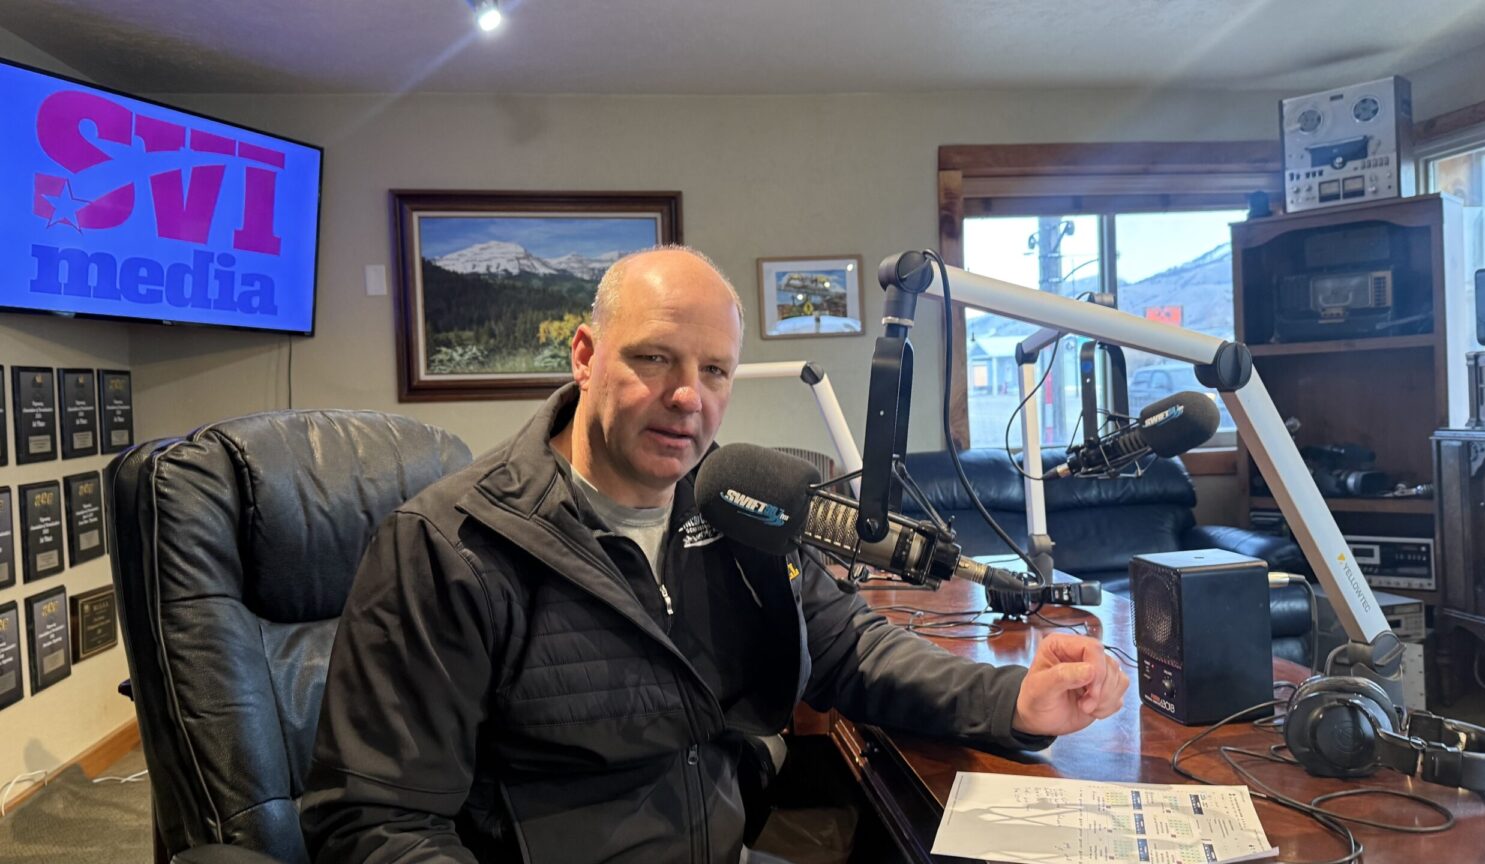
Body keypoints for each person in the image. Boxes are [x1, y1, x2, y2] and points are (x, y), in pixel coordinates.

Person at [301, 246, 1130, 863]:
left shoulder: (736, 505)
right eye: (653, 358)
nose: (687, 397)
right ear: (584, 356)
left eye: (715, 371)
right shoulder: (449, 546)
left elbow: (850, 649)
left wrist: (1014, 701)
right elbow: (376, 823)